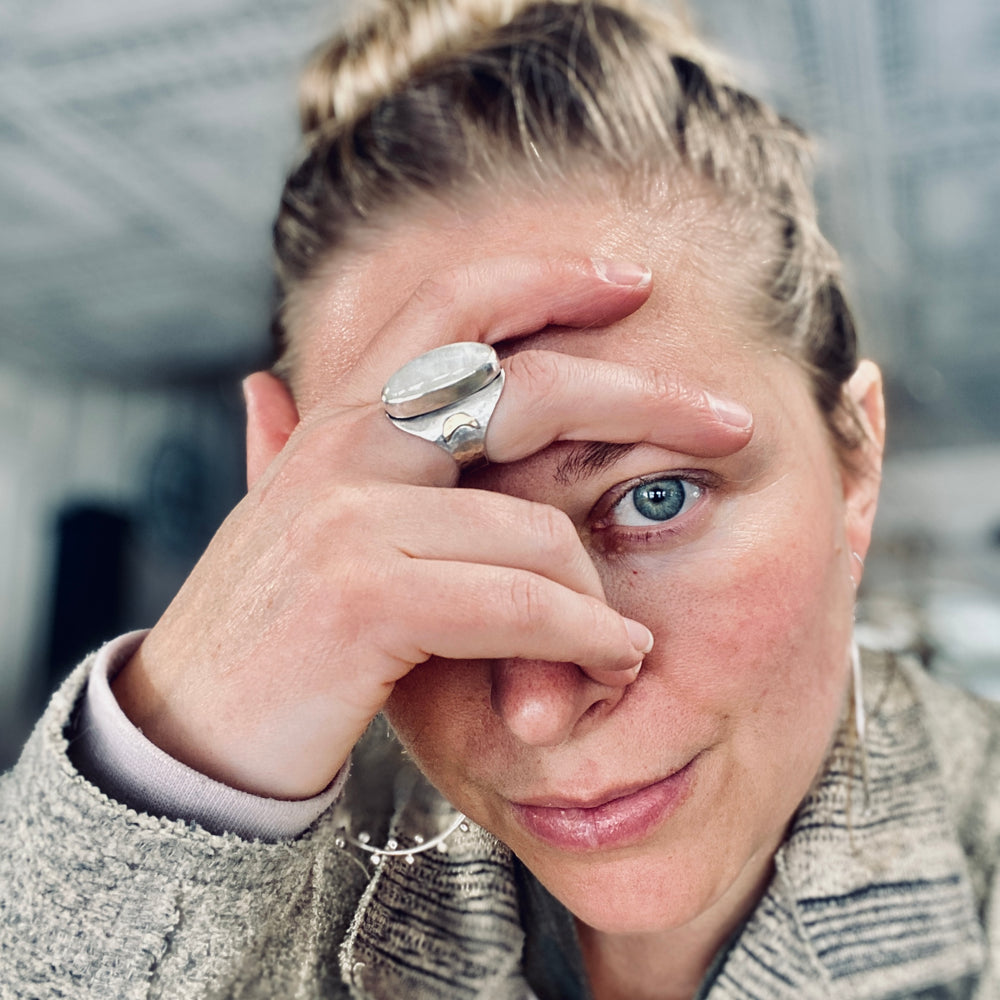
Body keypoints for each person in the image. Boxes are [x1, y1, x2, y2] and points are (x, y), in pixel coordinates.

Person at [2, 0, 998, 996]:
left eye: (653, 496)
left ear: (854, 464)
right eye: (435, 528)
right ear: (280, 489)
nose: (535, 705)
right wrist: (175, 771)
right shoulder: (283, 864)